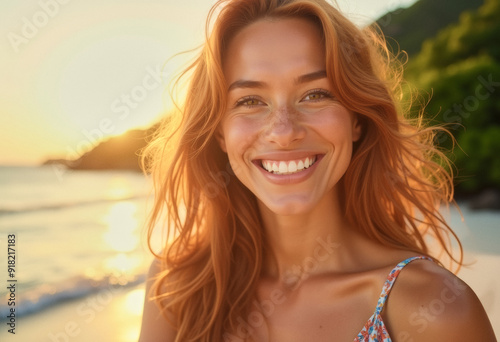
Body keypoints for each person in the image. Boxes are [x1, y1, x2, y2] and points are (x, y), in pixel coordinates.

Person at [138, 0, 496, 341]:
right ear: (219, 132)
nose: (283, 131)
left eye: (315, 94)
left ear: (356, 119)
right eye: (250, 101)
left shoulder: (432, 309)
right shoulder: (179, 288)